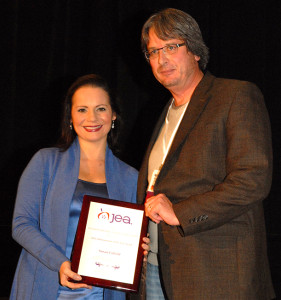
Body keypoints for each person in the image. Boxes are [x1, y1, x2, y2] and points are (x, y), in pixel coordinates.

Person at [137, 8, 275, 300]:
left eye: (172, 46)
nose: (162, 59)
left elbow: (253, 180)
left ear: (195, 50)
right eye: (153, 52)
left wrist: (181, 212)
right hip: (157, 270)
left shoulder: (235, 96)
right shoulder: (164, 114)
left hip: (216, 275)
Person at [10, 74, 149, 300]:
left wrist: (141, 247)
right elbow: (21, 224)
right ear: (70, 117)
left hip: (102, 294)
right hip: (49, 286)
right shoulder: (45, 162)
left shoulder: (131, 177)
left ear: (113, 114)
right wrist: (60, 263)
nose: (92, 118)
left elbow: (131, 240)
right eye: (82, 109)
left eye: (101, 109)